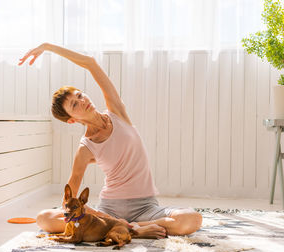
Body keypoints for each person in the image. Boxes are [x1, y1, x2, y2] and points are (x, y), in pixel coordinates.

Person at [19, 43, 202, 239]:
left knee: (192, 218)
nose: (82, 101)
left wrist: (48, 47)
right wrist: (99, 215)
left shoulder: (117, 112)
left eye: (80, 95)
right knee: (44, 218)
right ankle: (127, 228)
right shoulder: (85, 148)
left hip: (146, 207)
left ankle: (129, 228)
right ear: (72, 120)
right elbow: (69, 199)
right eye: (74, 104)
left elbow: (90, 63)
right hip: (110, 210)